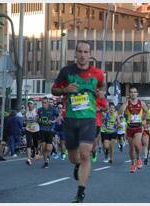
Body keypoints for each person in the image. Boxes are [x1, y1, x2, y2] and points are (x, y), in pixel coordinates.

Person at [51, 40, 104, 202]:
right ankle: (77, 165)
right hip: (71, 119)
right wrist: (65, 90)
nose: (82, 55)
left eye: (86, 52)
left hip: (88, 119)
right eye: (80, 52)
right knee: (74, 157)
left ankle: (81, 191)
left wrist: (100, 94)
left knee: (85, 153)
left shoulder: (98, 74)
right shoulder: (66, 71)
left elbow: (101, 88)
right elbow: (54, 90)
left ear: (90, 55)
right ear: (75, 54)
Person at [118, 86, 148, 173]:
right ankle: (132, 164)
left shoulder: (141, 103)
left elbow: (147, 111)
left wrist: (144, 117)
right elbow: (119, 112)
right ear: (129, 94)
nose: (133, 93)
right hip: (129, 127)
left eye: (135, 92)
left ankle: (138, 158)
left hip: (138, 127)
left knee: (137, 145)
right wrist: (124, 104)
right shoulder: (127, 103)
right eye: (131, 92)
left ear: (137, 94)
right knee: (131, 148)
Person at [37, 97, 59, 168]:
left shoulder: (53, 109)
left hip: (50, 130)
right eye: (42, 102)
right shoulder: (40, 110)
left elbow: (59, 116)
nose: (44, 104)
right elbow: (38, 118)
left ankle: (52, 150)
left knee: (48, 148)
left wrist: (53, 121)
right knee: (43, 147)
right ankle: (46, 162)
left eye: (45, 102)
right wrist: (38, 120)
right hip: (42, 129)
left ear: (48, 103)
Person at [91, 89, 108, 163]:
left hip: (96, 123)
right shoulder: (87, 97)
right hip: (85, 121)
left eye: (98, 91)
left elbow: (106, 108)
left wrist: (99, 109)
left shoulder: (101, 99)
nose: (96, 92)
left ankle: (94, 152)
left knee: (94, 142)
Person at [25, 100, 41, 165]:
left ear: (33, 105)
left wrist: (35, 119)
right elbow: (25, 120)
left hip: (36, 130)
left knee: (36, 144)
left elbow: (38, 119)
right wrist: (26, 121)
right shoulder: (26, 112)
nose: (29, 105)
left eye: (31, 104)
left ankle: (36, 153)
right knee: (28, 144)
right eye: (28, 104)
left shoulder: (36, 111)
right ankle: (28, 159)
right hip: (28, 129)